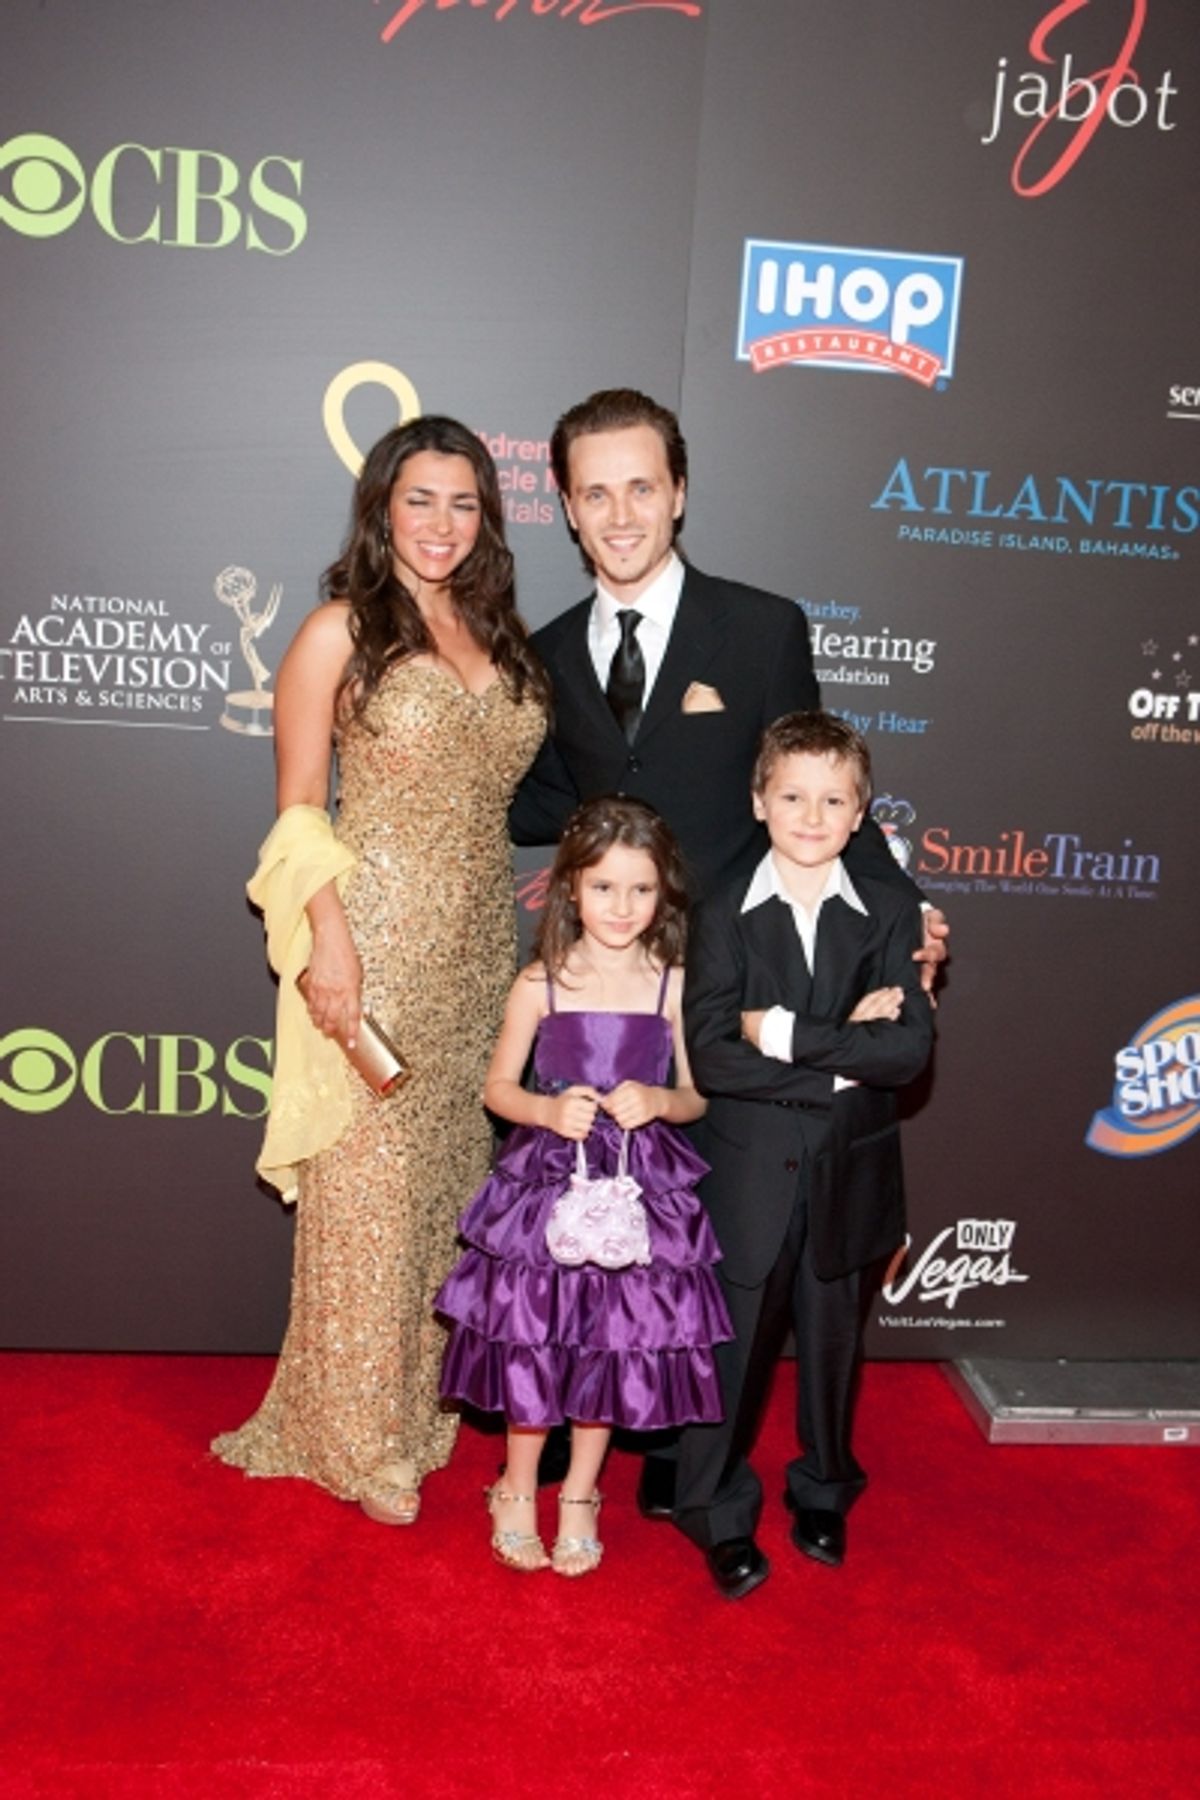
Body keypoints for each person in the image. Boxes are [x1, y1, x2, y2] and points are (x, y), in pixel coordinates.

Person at [508, 387, 947, 1509]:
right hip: (615, 982)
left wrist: (902, 925)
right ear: (563, 503)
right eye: (595, 491)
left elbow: (819, 790)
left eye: (641, 486)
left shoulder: (760, 628)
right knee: (614, 1203)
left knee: (722, 1225)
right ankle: (630, 1429)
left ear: (680, 492)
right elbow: (540, 800)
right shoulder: (548, 653)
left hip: (740, 979)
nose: (620, 512)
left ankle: (683, 1453)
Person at [212, 416, 548, 1526]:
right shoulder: (337, 632)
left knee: (448, 1196)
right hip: (377, 943)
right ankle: (352, 1440)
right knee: (372, 1201)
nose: (441, 523)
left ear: (485, 517)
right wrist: (331, 945)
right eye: (419, 499)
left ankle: (414, 1410)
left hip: (477, 954)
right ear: (381, 508)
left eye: (463, 502)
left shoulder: (500, 636)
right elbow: (298, 811)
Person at [435, 797, 732, 1576]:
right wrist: (541, 1106)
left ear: (663, 894)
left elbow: (699, 1094)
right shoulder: (541, 983)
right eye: (604, 887)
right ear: (570, 887)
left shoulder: (673, 985)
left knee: (612, 1344)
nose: (622, 907)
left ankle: (581, 1494)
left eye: (640, 890)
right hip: (546, 1185)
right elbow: (497, 1087)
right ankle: (517, 1485)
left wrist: (662, 1101)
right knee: (534, 1344)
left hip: (640, 1191)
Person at [675, 712, 934, 1598]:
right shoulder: (719, 908)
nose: (812, 816)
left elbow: (905, 1052)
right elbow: (711, 1055)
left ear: (860, 814)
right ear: (759, 801)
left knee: (833, 1347)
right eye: (792, 796)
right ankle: (712, 1505)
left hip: (848, 1167)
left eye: (833, 800)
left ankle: (825, 1487)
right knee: (730, 1354)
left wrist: (780, 1031)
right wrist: (836, 1052)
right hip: (745, 1172)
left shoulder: (892, 908)